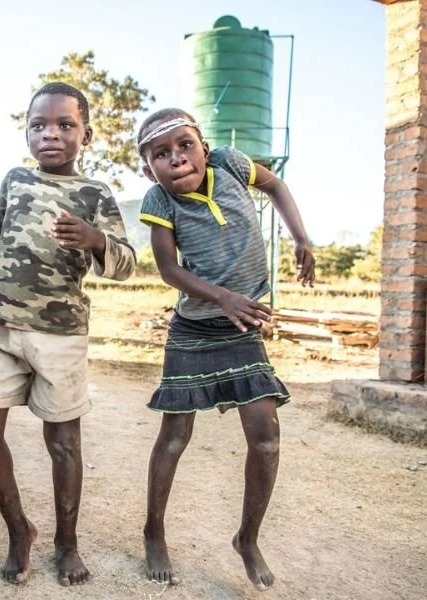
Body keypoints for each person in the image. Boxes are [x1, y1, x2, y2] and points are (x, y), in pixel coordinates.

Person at [0, 82, 136, 586]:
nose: (50, 134)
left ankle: (66, 543)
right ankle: (17, 530)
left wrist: (95, 239)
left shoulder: (95, 194)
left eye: (64, 125)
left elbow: (127, 264)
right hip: (2, 328)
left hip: (61, 336)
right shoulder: (16, 179)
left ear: (85, 134)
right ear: (26, 132)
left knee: (64, 443)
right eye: (38, 125)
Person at [136, 108, 315, 590]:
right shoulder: (160, 200)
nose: (176, 158)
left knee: (266, 437)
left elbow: (275, 186)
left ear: (205, 147)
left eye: (184, 145)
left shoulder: (233, 165)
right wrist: (222, 296)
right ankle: (154, 529)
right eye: (161, 154)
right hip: (195, 330)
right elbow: (170, 270)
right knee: (174, 437)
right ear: (148, 167)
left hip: (240, 328)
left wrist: (301, 238)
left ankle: (248, 539)